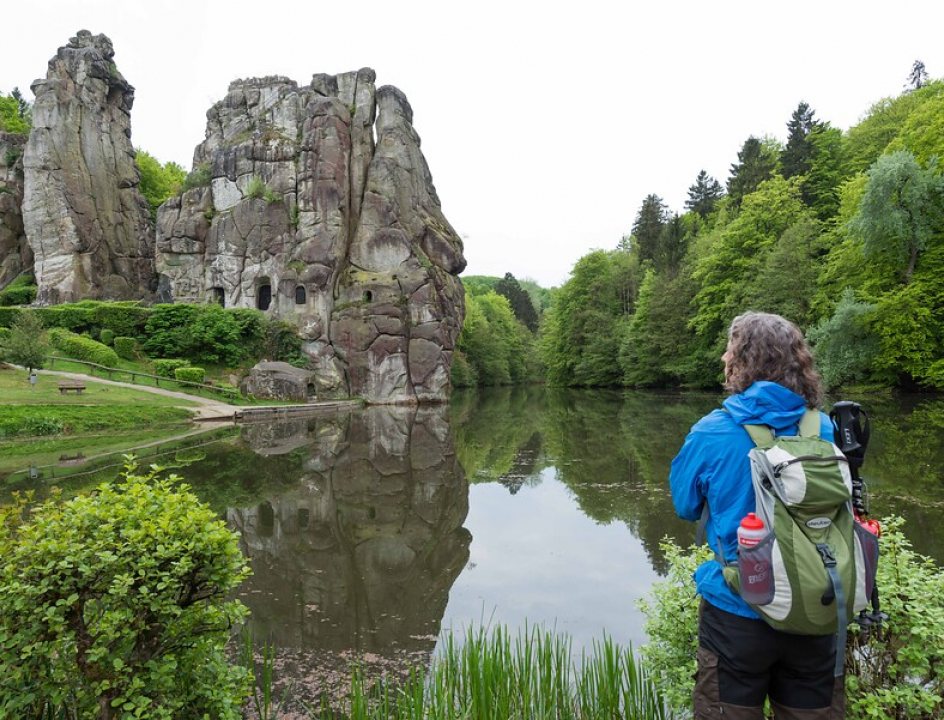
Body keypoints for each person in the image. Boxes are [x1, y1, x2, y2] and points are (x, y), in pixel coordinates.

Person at [670, 312, 844, 719]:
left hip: (737, 611)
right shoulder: (824, 429)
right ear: (797, 362)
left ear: (741, 361)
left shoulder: (711, 431)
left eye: (729, 350)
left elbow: (684, 506)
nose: (723, 357)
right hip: (816, 609)